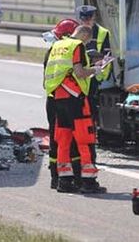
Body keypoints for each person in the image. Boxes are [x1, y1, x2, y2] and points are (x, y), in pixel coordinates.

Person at [44, 25, 105, 193]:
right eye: (87, 41)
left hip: (57, 97)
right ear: (85, 36)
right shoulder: (76, 45)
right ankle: (88, 181)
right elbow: (79, 72)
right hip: (74, 98)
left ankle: (64, 180)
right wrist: (96, 69)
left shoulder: (57, 45)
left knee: (63, 139)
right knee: (84, 138)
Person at [43, 19, 81, 189]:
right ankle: (71, 177)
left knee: (55, 138)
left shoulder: (52, 50)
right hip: (66, 98)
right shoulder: (69, 50)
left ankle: (55, 177)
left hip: (52, 99)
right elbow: (77, 74)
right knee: (69, 138)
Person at [77, 5, 112, 123]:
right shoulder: (77, 32)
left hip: (95, 75)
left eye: (88, 19)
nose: (85, 22)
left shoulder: (102, 33)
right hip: (79, 73)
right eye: (83, 20)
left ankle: (91, 129)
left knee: (91, 104)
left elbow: (107, 54)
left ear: (93, 18)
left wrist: (100, 62)